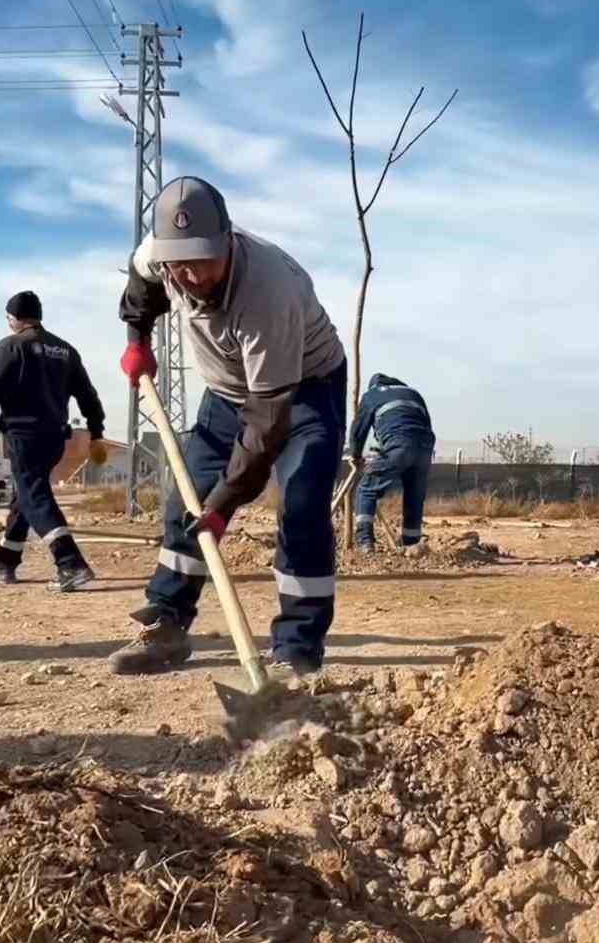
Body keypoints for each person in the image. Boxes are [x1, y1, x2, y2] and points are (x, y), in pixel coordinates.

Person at [109, 175, 346, 678]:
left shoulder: (267, 295)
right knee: (186, 497)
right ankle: (167, 623)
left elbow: (266, 422)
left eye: (203, 261)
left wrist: (225, 504)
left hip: (300, 391)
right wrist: (138, 339)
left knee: (301, 501)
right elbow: (141, 284)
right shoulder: (160, 255)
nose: (191, 275)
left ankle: (297, 651)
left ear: (228, 240)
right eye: (180, 263)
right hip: (227, 391)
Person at [0, 291, 106, 591]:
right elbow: (87, 394)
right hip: (53, 439)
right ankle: (5, 561)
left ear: (13, 318)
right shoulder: (65, 350)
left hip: (24, 437)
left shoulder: (11, 347)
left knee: (34, 496)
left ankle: (70, 564)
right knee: (27, 494)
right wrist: (96, 431)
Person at [348, 374, 435, 551]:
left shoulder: (372, 395)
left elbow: (359, 430)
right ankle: (412, 544)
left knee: (366, 489)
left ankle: (364, 542)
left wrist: (356, 455)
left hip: (398, 444)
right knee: (414, 495)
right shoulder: (414, 393)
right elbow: (426, 423)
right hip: (425, 447)